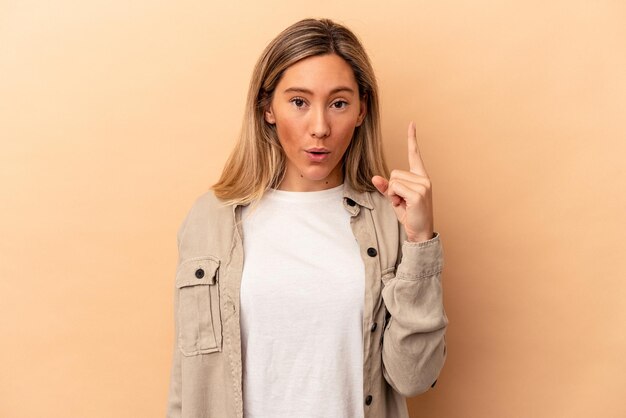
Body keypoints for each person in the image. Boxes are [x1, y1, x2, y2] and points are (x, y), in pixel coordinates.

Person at [167, 18, 448, 418]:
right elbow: (188, 381)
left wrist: (420, 241)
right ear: (267, 108)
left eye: (338, 103)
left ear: (361, 110)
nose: (320, 128)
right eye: (299, 102)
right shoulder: (210, 219)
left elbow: (413, 378)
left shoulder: (390, 222)